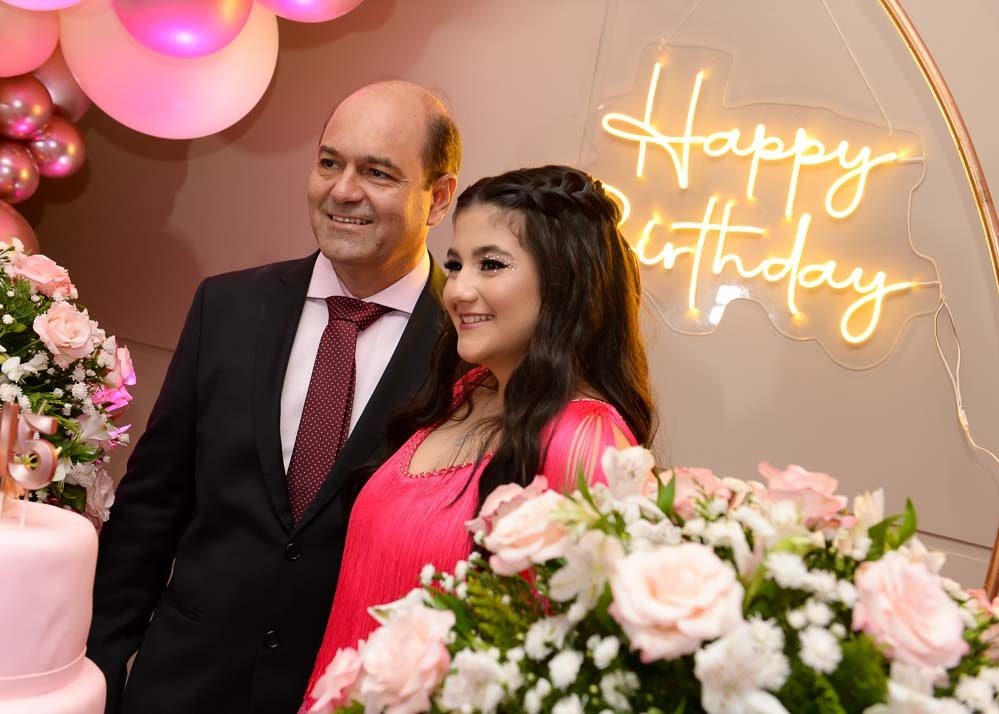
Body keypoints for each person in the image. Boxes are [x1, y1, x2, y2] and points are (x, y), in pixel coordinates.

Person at [86, 80, 462, 714]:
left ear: (440, 196)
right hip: (183, 685)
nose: (343, 190)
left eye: (378, 172)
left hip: (348, 695)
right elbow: (151, 509)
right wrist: (99, 671)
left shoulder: (467, 345)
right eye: (330, 163)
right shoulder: (228, 306)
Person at [301, 164, 657, 710]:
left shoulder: (586, 440)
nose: (458, 290)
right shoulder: (466, 391)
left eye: (491, 264)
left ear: (565, 281)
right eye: (455, 264)